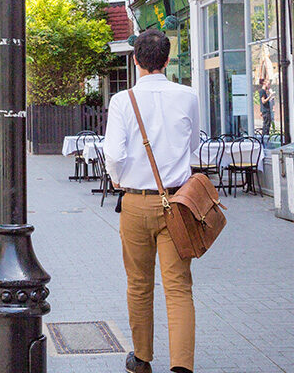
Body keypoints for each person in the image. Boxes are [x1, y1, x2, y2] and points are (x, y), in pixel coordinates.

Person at [102, 30, 200, 373]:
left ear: (135, 60)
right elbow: (192, 149)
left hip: (135, 202)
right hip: (176, 203)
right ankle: (182, 366)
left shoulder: (122, 100)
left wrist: (117, 178)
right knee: (178, 286)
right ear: (168, 60)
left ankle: (142, 358)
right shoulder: (188, 96)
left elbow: (113, 153)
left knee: (139, 284)